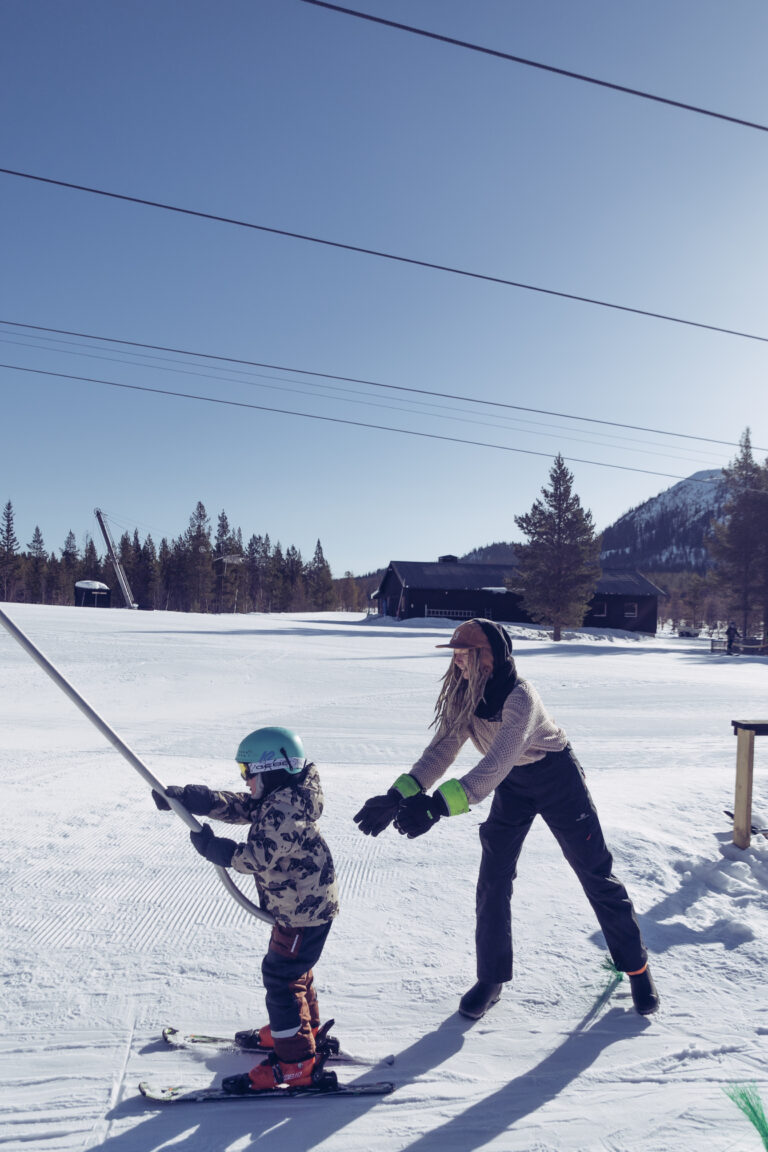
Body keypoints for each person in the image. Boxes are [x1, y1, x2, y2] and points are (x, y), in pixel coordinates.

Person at [354, 619, 658, 1021]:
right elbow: (441, 750)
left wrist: (437, 807)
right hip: (512, 785)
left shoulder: (521, 698)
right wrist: (400, 794)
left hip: (555, 777)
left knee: (593, 870)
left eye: (465, 654)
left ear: (491, 656)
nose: (458, 662)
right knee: (494, 876)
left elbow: (496, 762)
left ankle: (636, 966)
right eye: (456, 655)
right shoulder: (465, 695)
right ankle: (491, 979)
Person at [153, 725, 339, 1091]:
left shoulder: (285, 808)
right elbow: (247, 807)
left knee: (281, 978)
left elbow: (254, 857)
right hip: (299, 907)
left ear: (271, 769)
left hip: (303, 911)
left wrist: (215, 849)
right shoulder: (285, 794)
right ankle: (302, 1031)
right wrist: (198, 800)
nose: (246, 779)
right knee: (292, 973)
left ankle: (296, 1062)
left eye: (248, 772)